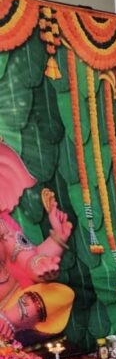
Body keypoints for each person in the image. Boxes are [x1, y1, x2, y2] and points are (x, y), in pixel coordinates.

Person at [0, 140, 74, 342]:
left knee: (60, 294)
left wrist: (43, 260)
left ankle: (8, 321)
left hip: (11, 304)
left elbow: (25, 257)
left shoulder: (3, 226)